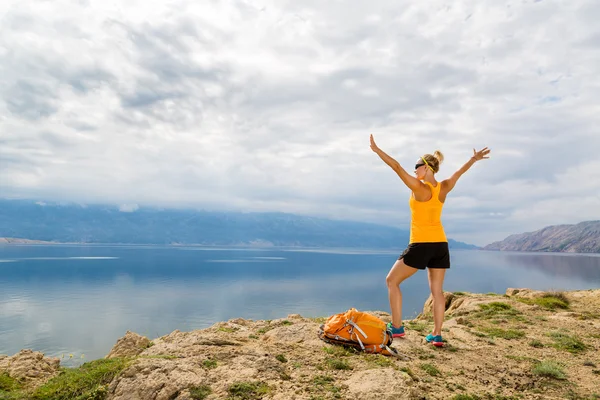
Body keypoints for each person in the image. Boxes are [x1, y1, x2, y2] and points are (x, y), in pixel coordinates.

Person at [369, 134, 490, 346]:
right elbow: (458, 173)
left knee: (391, 281)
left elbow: (396, 167)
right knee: (437, 291)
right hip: (440, 245)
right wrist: (473, 160)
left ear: (426, 168)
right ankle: (436, 335)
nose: (414, 170)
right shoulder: (443, 187)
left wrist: (377, 150)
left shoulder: (420, 188)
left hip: (421, 243)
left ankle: (396, 327)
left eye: (416, 167)